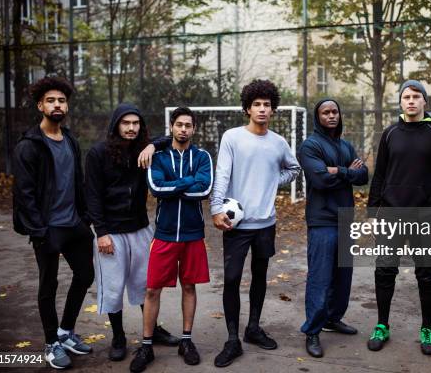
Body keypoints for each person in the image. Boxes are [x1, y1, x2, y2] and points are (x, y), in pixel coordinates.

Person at [210, 79, 301, 367]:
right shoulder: (232, 137)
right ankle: (232, 339)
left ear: (273, 110)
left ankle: (253, 328)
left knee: (260, 276)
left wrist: (276, 180)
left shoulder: (278, 142)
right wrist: (215, 208)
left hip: (266, 223)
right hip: (237, 226)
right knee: (233, 279)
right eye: (257, 104)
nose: (262, 109)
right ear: (247, 108)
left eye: (267, 105)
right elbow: (222, 174)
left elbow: (294, 169)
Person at [85, 103, 180, 362]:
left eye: (136, 123)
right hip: (110, 232)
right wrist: (101, 232)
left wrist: (152, 145)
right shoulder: (98, 153)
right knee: (114, 287)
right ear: (116, 125)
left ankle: (152, 330)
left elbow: (172, 138)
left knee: (146, 284)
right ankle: (118, 336)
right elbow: (91, 196)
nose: (131, 128)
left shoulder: (143, 150)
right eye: (126, 123)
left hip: (140, 228)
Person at [367, 79, 431, 355]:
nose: (411, 100)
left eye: (417, 96)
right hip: (391, 214)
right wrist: (372, 213)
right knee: (384, 270)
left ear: (424, 102)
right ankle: (382, 325)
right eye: (406, 96)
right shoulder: (390, 133)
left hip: (425, 216)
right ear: (401, 102)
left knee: (427, 274)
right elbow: (379, 174)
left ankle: (427, 328)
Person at [12, 76, 94, 369]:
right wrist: (39, 230)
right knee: (49, 285)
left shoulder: (70, 139)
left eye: (61, 100)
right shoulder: (29, 145)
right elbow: (24, 194)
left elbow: (77, 182)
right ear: (40, 106)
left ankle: (66, 331)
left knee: (85, 276)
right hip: (48, 228)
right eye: (50, 100)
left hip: (74, 224)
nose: (57, 105)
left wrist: (84, 218)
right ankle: (51, 343)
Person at [129, 106, 213, 372]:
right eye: (179, 125)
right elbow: (156, 189)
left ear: (194, 129)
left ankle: (186, 341)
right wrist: (188, 183)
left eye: (188, 125)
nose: (184, 129)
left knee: (189, 286)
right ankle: (146, 345)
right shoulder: (159, 156)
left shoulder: (202, 156)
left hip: (193, 235)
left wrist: (175, 186)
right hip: (164, 235)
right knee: (152, 290)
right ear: (172, 127)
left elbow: (205, 189)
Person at [298, 99, 368, 358]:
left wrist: (338, 170)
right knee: (321, 277)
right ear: (318, 117)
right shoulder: (310, 146)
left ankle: (332, 318)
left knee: (343, 276)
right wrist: (347, 172)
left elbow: (364, 176)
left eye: (334, 111)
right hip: (322, 220)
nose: (331, 116)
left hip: (345, 219)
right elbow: (319, 179)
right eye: (325, 112)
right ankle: (313, 331)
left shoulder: (345, 145)